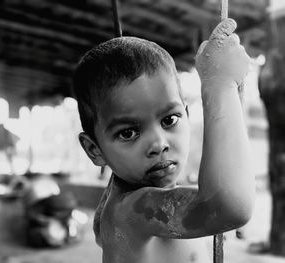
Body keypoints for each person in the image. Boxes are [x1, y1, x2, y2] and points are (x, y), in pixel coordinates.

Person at [72, 18, 254, 263]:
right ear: (95, 150)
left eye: (169, 120)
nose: (159, 144)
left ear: (186, 116)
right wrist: (220, 85)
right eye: (128, 133)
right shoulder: (132, 210)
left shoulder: (133, 197)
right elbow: (229, 207)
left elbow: (212, 199)